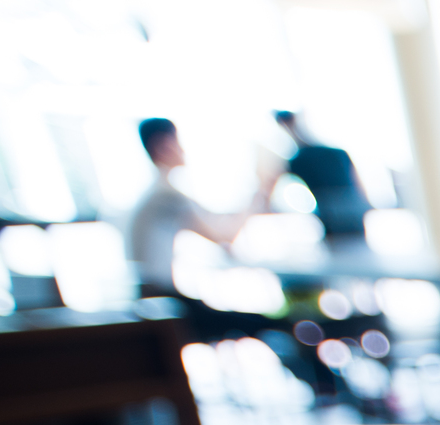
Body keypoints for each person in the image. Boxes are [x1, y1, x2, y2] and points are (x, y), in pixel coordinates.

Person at [127, 117, 268, 301]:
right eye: (177, 142)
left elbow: (212, 219)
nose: (183, 150)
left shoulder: (157, 191)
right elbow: (224, 235)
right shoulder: (166, 194)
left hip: (153, 294)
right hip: (161, 296)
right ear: (163, 146)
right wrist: (259, 194)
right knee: (256, 322)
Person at [273, 110, 372, 245]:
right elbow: (359, 187)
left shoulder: (299, 160)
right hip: (350, 212)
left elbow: (268, 186)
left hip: (336, 216)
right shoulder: (338, 153)